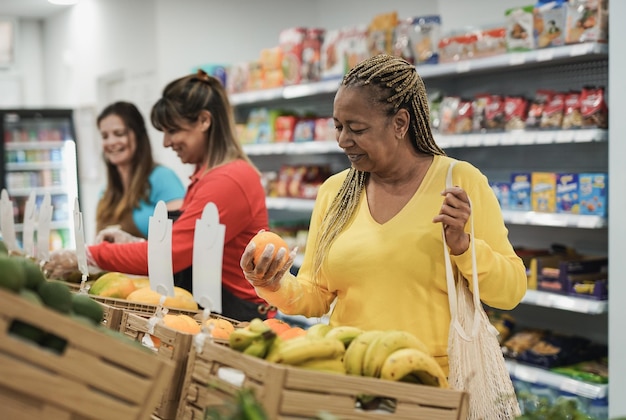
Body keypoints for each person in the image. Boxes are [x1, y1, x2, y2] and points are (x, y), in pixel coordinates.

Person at [240, 54, 527, 373]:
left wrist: (463, 245)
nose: (343, 140)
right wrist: (271, 282)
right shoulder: (335, 192)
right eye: (338, 126)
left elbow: (511, 291)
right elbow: (316, 296)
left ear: (400, 123)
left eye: (357, 129)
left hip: (431, 381)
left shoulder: (459, 182)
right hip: (347, 373)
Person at [45, 70, 272, 321]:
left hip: (238, 319)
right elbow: (187, 244)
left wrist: (89, 255)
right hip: (217, 311)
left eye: (173, 130)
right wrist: (133, 243)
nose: (166, 142)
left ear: (204, 121)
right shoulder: (207, 177)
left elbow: (171, 255)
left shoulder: (228, 180)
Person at [95, 101, 185, 240]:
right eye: (105, 136)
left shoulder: (162, 178)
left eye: (119, 134)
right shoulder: (105, 192)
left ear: (138, 135)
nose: (111, 142)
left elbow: (180, 238)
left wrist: (132, 244)